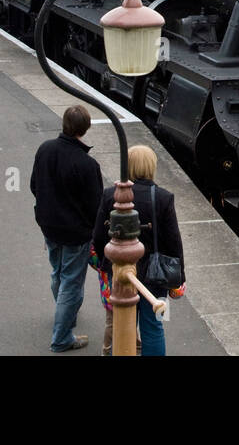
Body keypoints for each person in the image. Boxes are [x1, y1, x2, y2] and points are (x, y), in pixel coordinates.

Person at [91, 145, 184, 357]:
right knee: (154, 328)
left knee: (122, 326)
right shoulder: (163, 197)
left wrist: (107, 265)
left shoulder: (109, 195)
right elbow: (173, 242)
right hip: (156, 276)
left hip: (120, 274)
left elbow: (97, 236)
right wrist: (178, 278)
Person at [29, 105, 103, 353]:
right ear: (85, 128)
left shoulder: (45, 149)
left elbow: (33, 185)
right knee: (71, 282)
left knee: (57, 272)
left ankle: (66, 314)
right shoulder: (87, 164)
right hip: (75, 233)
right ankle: (62, 337)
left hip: (48, 225)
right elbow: (96, 207)